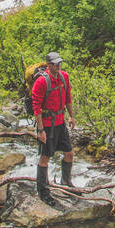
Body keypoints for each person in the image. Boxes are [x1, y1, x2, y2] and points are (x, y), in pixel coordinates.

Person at [31, 52, 75, 203]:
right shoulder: (41, 82)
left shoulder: (64, 76)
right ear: (48, 65)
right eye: (55, 64)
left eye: (59, 63)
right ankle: (43, 192)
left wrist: (71, 116)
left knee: (69, 153)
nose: (58, 66)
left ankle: (66, 182)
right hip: (47, 125)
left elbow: (68, 97)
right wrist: (40, 130)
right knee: (45, 157)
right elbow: (36, 106)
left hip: (60, 122)